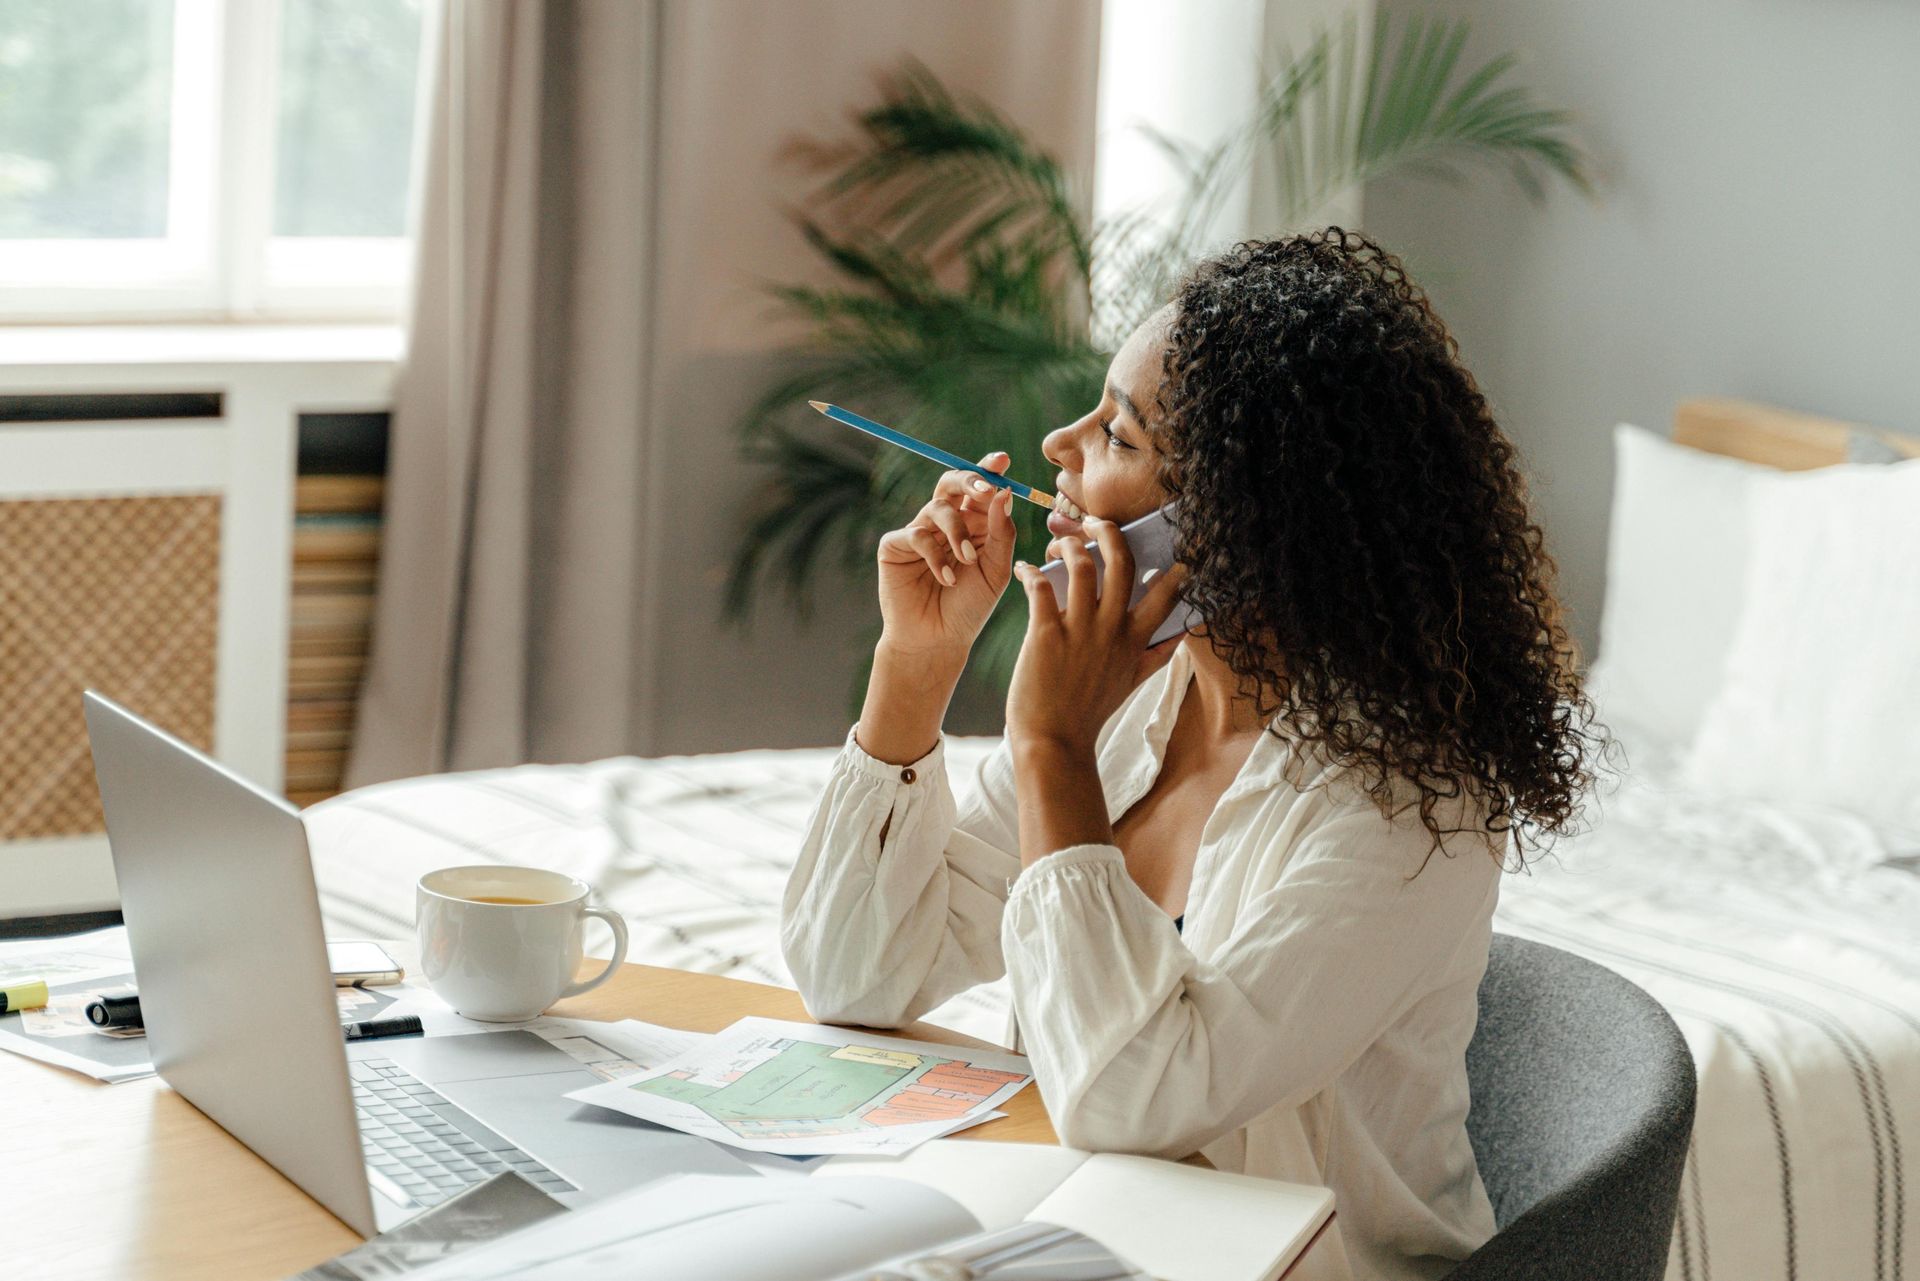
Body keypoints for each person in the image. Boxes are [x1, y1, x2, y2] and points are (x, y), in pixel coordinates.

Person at [781, 228, 1607, 1281]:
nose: (1056, 448)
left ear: (1239, 522)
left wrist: (1050, 746)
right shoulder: (1140, 701)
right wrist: (915, 670)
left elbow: (1136, 1102)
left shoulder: (1407, 804)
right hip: (1097, 1244)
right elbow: (854, 976)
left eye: (1117, 438)